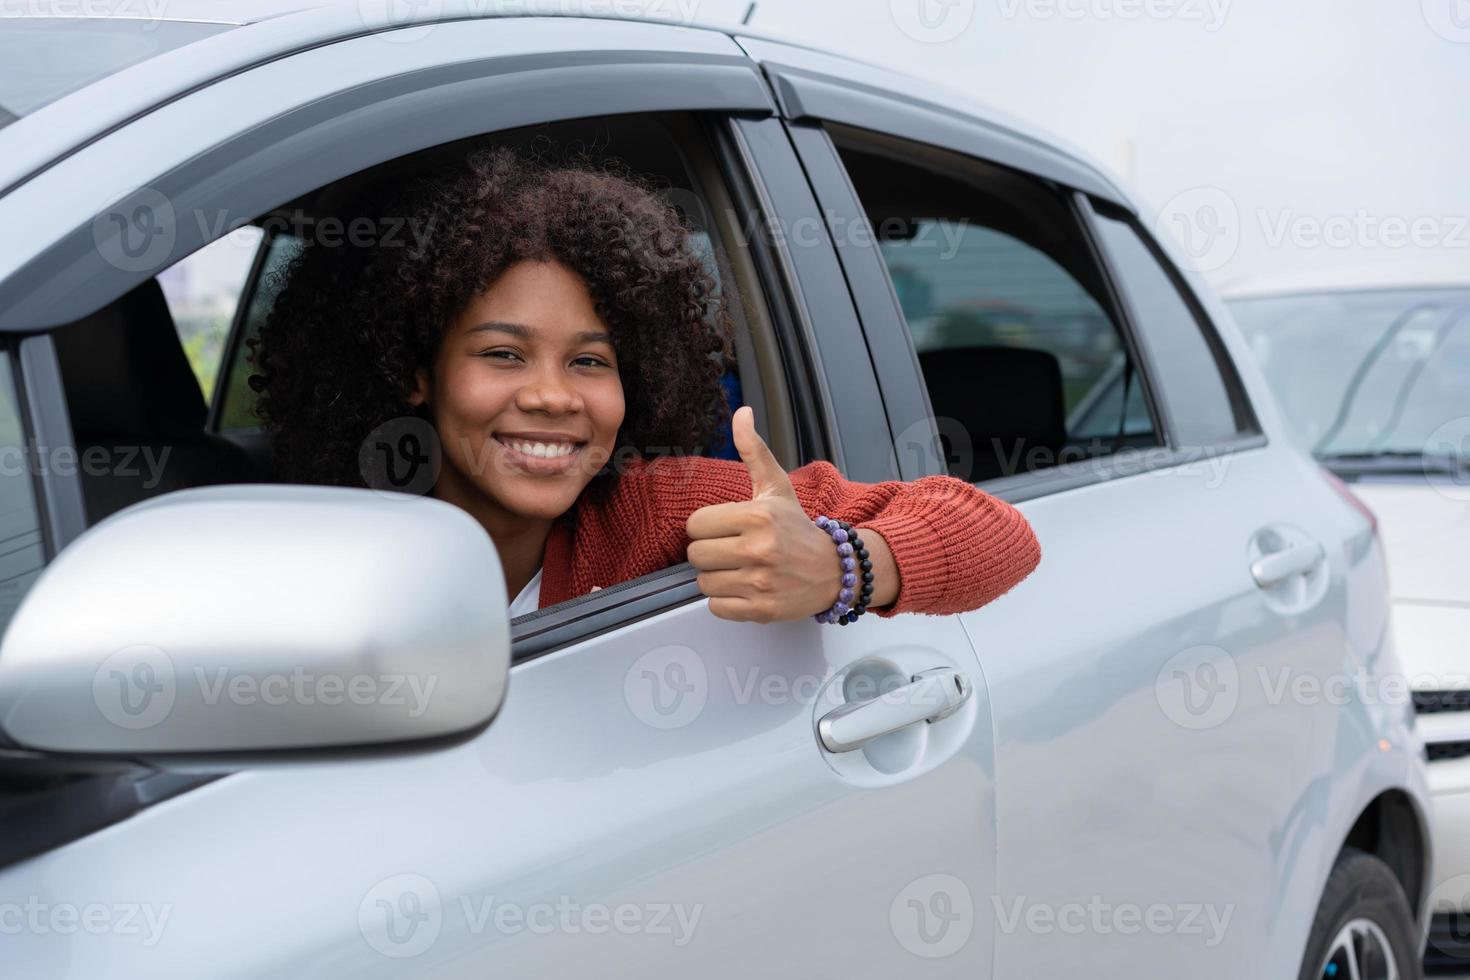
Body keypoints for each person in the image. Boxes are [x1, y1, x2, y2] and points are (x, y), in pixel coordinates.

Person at [250, 145, 1041, 623]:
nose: (555, 397)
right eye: (503, 354)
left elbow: (998, 532)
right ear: (415, 373)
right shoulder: (323, 551)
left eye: (591, 362)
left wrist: (844, 566)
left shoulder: (655, 511)